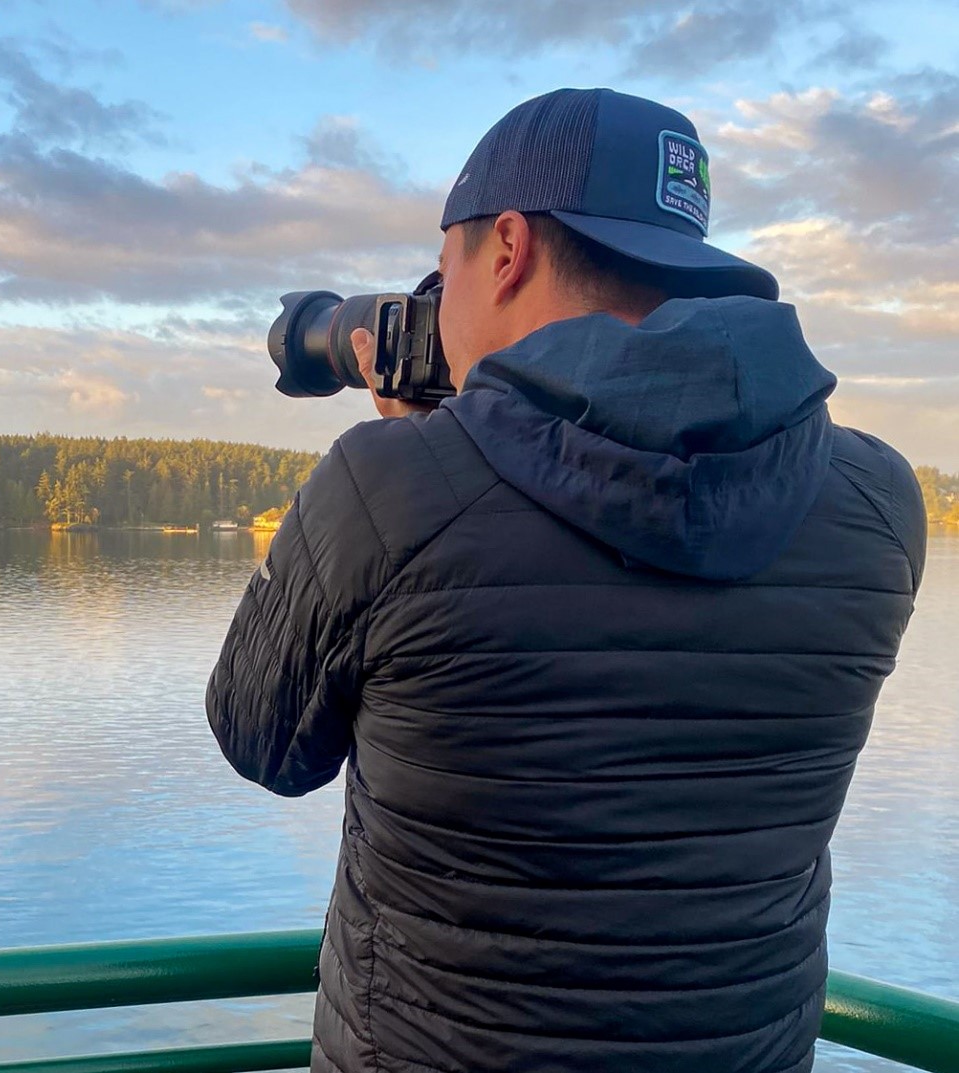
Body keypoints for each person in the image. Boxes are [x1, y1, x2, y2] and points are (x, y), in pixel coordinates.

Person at [205, 88, 927, 1073]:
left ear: (506, 248)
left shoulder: (391, 486)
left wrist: (417, 461)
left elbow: (261, 740)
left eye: (444, 267)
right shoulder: (878, 500)